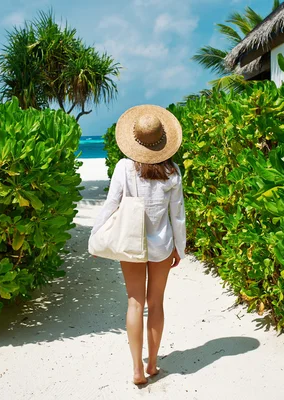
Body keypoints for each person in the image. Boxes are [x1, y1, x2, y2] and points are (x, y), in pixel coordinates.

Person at [90, 104, 186, 385]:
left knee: (135, 303)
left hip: (130, 245)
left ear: (135, 139)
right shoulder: (172, 170)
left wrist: (96, 237)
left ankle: (136, 369)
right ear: (162, 140)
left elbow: (111, 204)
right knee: (156, 304)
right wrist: (180, 248)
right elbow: (177, 214)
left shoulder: (124, 167)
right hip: (162, 246)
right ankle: (153, 364)